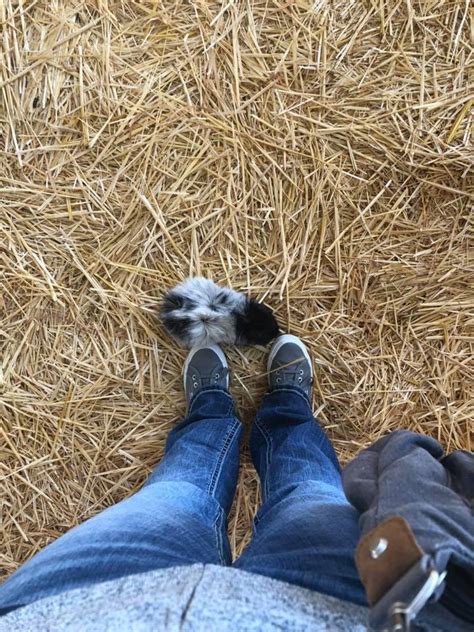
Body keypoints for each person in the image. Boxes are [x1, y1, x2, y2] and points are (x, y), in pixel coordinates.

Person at [0, 336, 471, 631]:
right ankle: (287, 406)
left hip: (77, 607)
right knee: (305, 491)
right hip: (363, 603)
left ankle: (210, 411)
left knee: (179, 494)